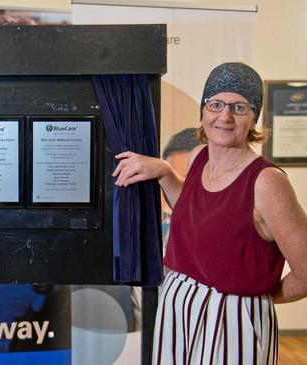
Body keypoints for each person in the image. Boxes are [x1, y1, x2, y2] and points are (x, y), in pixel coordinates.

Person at [112, 62, 307, 364]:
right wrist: (165, 172)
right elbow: (196, 213)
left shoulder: (267, 182)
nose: (224, 116)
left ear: (254, 117)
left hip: (233, 317)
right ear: (203, 112)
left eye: (239, 107)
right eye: (215, 104)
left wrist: (256, 296)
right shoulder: (198, 157)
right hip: (178, 304)